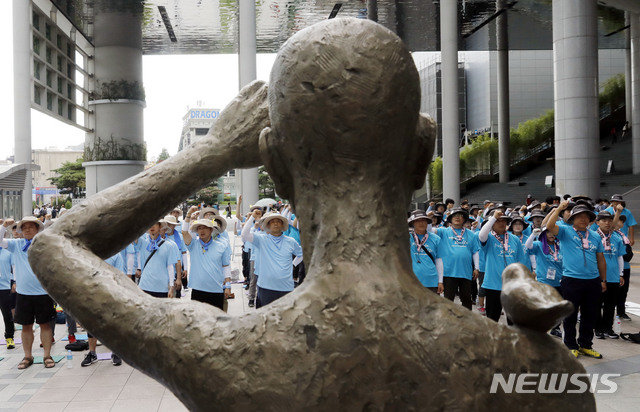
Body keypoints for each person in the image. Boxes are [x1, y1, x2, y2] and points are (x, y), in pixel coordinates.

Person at [546, 202, 606, 359]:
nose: (584, 219)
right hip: (571, 280)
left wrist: (603, 279)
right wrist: (559, 208)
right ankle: (571, 345)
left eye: (587, 217)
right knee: (570, 315)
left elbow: (600, 259)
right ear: (572, 219)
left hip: (593, 281)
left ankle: (586, 345)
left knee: (590, 315)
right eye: (579, 216)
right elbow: (549, 225)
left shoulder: (594, 236)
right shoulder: (565, 232)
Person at [0, 217, 56, 369]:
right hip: (23, 293)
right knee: (26, 326)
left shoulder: (44, 244)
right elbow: (0, 241)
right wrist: (4, 226)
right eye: (24, 227)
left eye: (31, 227)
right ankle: (27, 356)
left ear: (37, 229)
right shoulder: (16, 245)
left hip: (42, 292)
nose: (28, 229)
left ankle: (47, 355)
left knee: (45, 325)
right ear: (20, 230)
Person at [241, 210, 302, 308]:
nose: (276, 223)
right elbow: (244, 235)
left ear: (282, 225)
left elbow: (301, 254)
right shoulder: (261, 239)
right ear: (268, 225)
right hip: (266, 287)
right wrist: (252, 217)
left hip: (286, 287)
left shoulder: (291, 241)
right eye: (272, 221)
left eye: (278, 221)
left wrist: (293, 264)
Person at [477, 210, 525, 322]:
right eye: (498, 221)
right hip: (493, 285)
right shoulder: (489, 238)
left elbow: (520, 262)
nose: (502, 223)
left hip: (512, 286)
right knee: (492, 319)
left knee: (513, 320)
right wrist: (493, 217)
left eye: (504, 221)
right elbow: (481, 235)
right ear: (493, 223)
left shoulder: (515, 239)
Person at [81, 252, 125, 367]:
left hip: (110, 293)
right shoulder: (89, 254)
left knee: (112, 323)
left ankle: (116, 352)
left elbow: (119, 276)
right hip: (92, 293)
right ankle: (92, 353)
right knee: (91, 324)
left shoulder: (116, 255)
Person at [181, 218, 231, 310]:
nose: (202, 231)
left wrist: (228, 285)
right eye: (199, 228)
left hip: (216, 290)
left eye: (205, 228)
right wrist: (188, 216)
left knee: (216, 321)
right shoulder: (193, 245)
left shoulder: (222, 245)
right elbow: (184, 232)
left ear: (211, 230)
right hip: (198, 291)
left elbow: (226, 266)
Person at [435, 207, 480, 310]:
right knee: (448, 300)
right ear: (450, 219)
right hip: (449, 272)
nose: (457, 218)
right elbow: (429, 231)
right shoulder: (443, 232)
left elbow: (475, 252)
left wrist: (476, 268)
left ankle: (468, 322)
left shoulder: (471, 234)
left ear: (464, 219)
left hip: (465, 272)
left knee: (466, 300)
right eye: (455, 216)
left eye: (460, 216)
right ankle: (448, 322)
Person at [525, 227, 564, 337]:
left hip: (559, 281)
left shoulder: (560, 246)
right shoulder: (539, 245)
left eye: (553, 232)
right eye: (548, 232)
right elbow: (528, 246)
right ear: (544, 234)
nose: (551, 234)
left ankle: (555, 328)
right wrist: (533, 235)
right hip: (544, 281)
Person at [593, 210, 626, 340]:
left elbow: (620, 258)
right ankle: (598, 328)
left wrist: (621, 274)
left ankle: (608, 328)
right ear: (597, 222)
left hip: (613, 276)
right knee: (596, 304)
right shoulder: (593, 237)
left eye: (609, 220)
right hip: (598, 277)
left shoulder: (617, 238)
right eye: (603, 220)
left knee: (610, 305)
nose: (607, 223)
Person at [605, 195, 636, 321]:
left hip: (624, 265)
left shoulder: (622, 235)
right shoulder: (607, 213)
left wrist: (631, 239)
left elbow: (632, 225)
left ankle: (621, 311)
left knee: (624, 289)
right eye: (613, 201)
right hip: (611, 268)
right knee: (611, 292)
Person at [135, 220, 178, 298]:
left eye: (155, 224)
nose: (152, 226)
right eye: (150, 224)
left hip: (161, 287)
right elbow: (133, 232)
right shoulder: (142, 242)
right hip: (144, 286)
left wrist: (171, 287)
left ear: (160, 227)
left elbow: (170, 267)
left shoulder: (169, 246)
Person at [407, 210, 443, 293]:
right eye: (417, 221)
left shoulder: (436, 239)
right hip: (411, 281)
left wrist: (440, 281)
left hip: (431, 281)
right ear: (412, 223)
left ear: (427, 222)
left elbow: (439, 260)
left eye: (423, 220)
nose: (421, 223)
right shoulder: (406, 237)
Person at [0, 236, 16, 349]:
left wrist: (14, 281)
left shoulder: (7, 252)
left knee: (7, 314)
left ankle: (9, 338)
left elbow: (13, 268)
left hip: (4, 287)